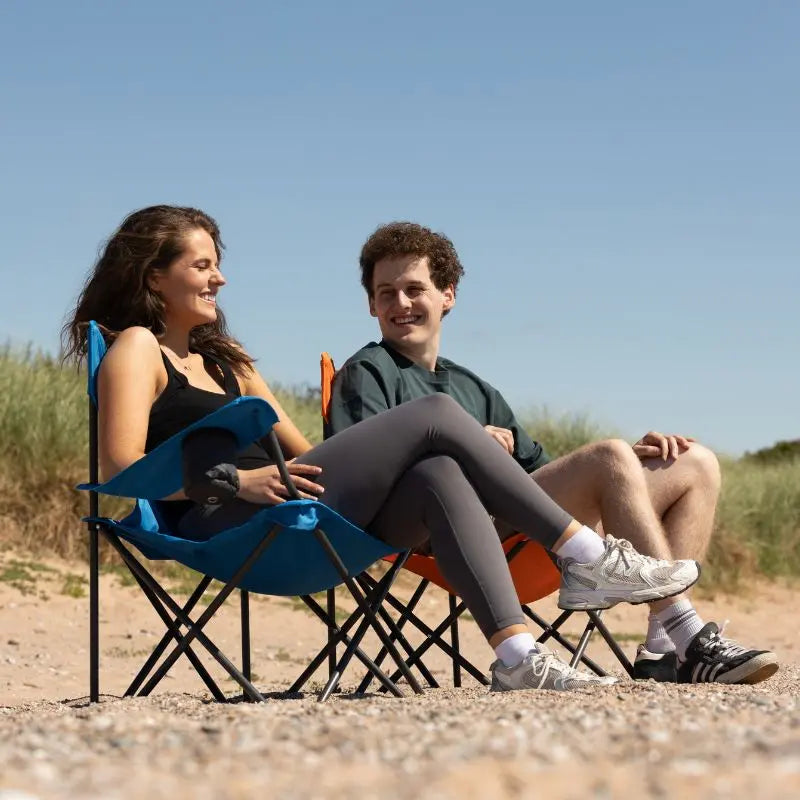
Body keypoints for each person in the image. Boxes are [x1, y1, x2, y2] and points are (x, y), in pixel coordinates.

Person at [62, 205, 705, 695]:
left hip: (300, 510)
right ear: (155, 275)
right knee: (433, 414)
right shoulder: (136, 348)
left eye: (215, 263)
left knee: (434, 469)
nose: (219, 277)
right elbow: (124, 472)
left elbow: (313, 454)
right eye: (202, 265)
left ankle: (516, 657)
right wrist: (241, 484)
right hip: (225, 520)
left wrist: (358, 466)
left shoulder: (229, 362)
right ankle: (586, 555)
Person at [328, 221, 779, 686]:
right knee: (607, 456)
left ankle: (663, 651)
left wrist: (629, 463)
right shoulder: (368, 372)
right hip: (443, 530)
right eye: (386, 292)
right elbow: (368, 477)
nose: (400, 303)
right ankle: (690, 637)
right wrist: (468, 447)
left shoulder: (473, 387)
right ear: (370, 304)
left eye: (414, 288)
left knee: (692, 462)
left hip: (524, 531)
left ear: (448, 295)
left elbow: (538, 479)